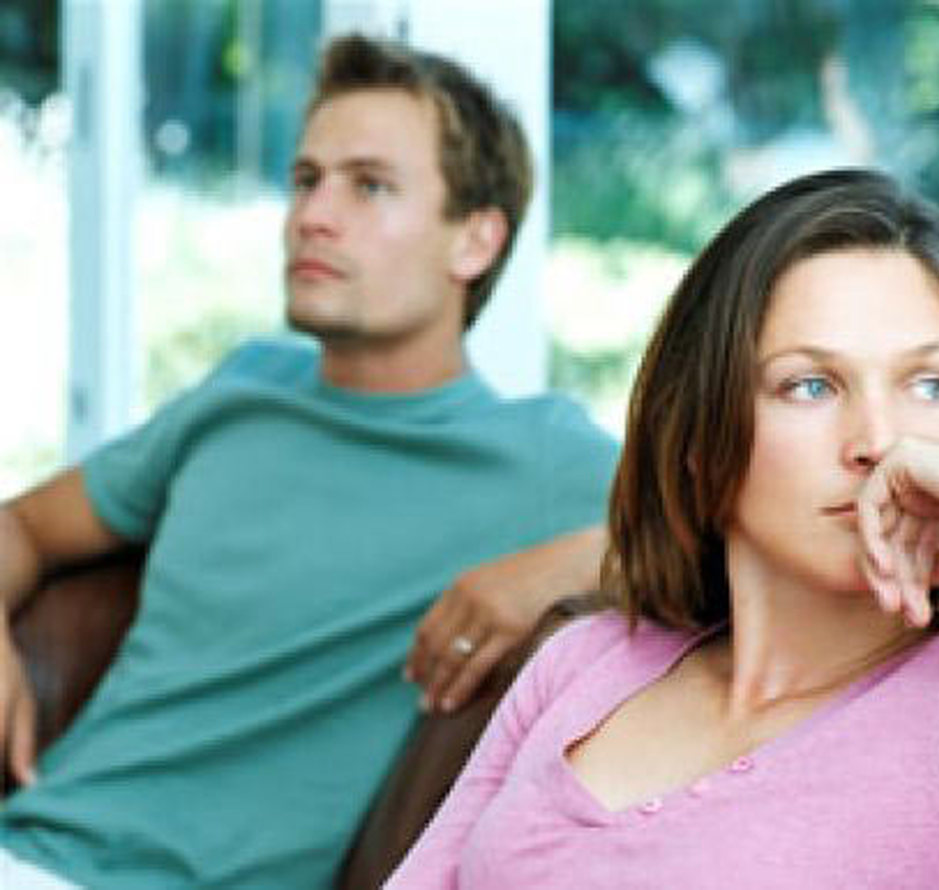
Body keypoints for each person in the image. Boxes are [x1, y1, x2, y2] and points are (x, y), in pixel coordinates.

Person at [388, 168, 939, 888]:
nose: (878, 441)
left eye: (930, 385)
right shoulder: (586, 659)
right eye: (811, 386)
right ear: (701, 442)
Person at [0, 34, 616, 890]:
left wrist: (572, 562)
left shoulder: (539, 454)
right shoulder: (243, 389)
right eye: (305, 179)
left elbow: (735, 542)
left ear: (474, 241)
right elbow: (24, 526)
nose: (312, 216)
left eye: (369, 186)